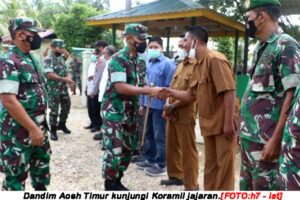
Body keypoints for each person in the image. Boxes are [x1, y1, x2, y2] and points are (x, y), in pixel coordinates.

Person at [157, 26, 239, 190]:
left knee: (224, 169)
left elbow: (229, 92)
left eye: (185, 41)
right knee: (211, 166)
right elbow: (190, 95)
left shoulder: (215, 60)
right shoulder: (198, 65)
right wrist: (169, 92)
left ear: (195, 41)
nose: (183, 45)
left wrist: (229, 124)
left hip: (223, 124)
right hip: (209, 124)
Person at [238, 0, 300, 191]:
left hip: (266, 142)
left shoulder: (286, 45)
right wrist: (242, 128)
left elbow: (292, 96)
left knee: (266, 190)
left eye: (248, 18)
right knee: (247, 189)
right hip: (250, 138)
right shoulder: (261, 47)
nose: (246, 23)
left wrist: (276, 139)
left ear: (261, 17)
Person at [100, 23, 160, 190]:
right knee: (115, 149)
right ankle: (109, 184)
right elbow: (120, 86)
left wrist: (142, 100)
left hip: (131, 111)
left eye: (144, 39)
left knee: (127, 149)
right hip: (114, 111)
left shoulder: (140, 62)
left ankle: (118, 179)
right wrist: (148, 91)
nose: (143, 42)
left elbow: (140, 84)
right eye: (140, 39)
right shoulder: (118, 59)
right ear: (128, 39)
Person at [0, 17, 51, 191]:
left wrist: (39, 128)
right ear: (21, 34)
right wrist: (32, 128)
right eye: (34, 33)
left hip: (38, 128)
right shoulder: (8, 60)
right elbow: (8, 101)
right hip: (18, 133)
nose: (38, 37)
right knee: (15, 181)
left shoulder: (30, 59)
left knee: (41, 175)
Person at [160, 35, 198, 190]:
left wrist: (172, 106)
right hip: (172, 112)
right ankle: (176, 176)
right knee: (172, 146)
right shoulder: (180, 64)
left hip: (185, 113)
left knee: (188, 150)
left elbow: (192, 94)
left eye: (183, 44)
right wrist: (167, 105)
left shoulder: (196, 66)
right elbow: (172, 86)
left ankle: (192, 185)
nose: (180, 47)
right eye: (179, 45)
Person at [136, 36, 176, 177]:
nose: (153, 49)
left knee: (160, 135)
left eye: (156, 47)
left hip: (160, 106)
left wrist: (167, 106)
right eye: (151, 47)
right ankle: (150, 159)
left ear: (162, 49)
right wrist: (141, 103)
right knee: (148, 133)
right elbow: (144, 85)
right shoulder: (147, 63)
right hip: (148, 105)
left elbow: (171, 86)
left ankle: (162, 164)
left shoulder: (168, 64)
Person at [44, 39, 74, 141]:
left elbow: (65, 68)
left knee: (66, 106)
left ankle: (62, 124)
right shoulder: (48, 59)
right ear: (53, 47)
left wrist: (68, 78)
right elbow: (49, 74)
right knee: (54, 110)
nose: (62, 49)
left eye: (62, 47)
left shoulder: (61, 58)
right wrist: (64, 79)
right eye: (59, 47)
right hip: (53, 89)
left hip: (63, 88)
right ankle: (53, 130)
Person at [90, 40, 108, 139]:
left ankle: (101, 131)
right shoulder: (100, 59)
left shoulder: (103, 60)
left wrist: (94, 91)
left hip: (100, 90)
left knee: (101, 112)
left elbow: (99, 77)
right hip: (99, 89)